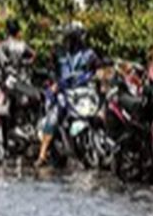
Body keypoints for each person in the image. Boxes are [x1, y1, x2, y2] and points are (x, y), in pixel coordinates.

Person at [36, 21, 104, 166]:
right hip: (64, 92)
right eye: (71, 37)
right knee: (53, 118)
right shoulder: (59, 53)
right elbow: (51, 70)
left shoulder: (89, 54)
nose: (74, 41)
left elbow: (98, 68)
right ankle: (42, 154)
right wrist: (54, 84)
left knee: (100, 113)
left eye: (76, 37)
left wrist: (100, 75)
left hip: (83, 91)